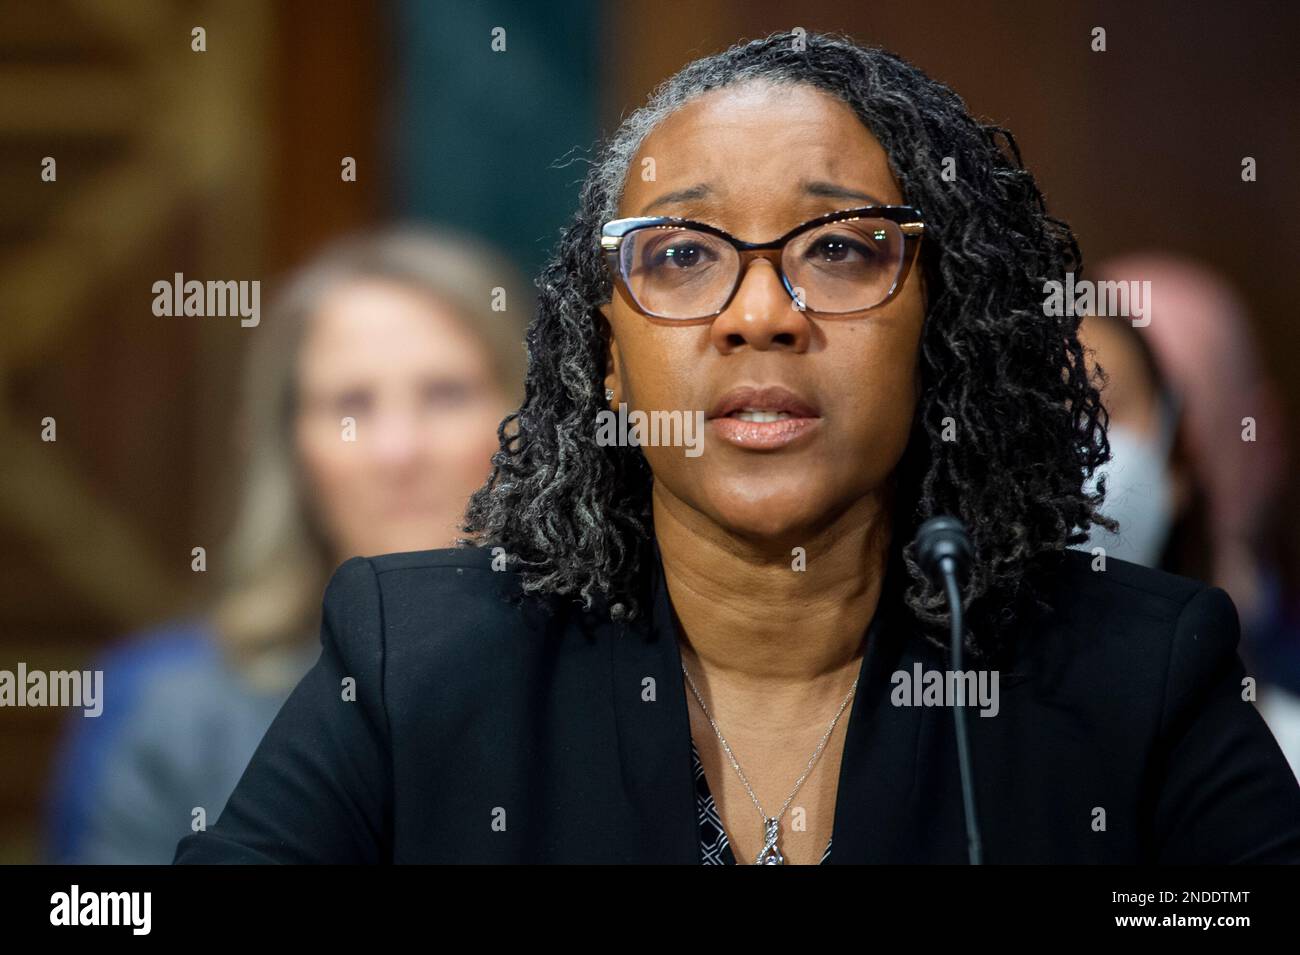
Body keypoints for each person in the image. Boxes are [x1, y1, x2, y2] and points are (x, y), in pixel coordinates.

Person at [174, 31, 1300, 865]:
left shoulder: (1136, 676)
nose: (760, 311)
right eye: (680, 256)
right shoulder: (414, 661)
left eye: (840, 248)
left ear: (937, 330)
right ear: (607, 359)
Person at [46, 227, 530, 863]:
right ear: (291, 449)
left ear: (531, 418)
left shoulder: (630, 678)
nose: (399, 450)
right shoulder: (167, 708)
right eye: (350, 404)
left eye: (446, 394)